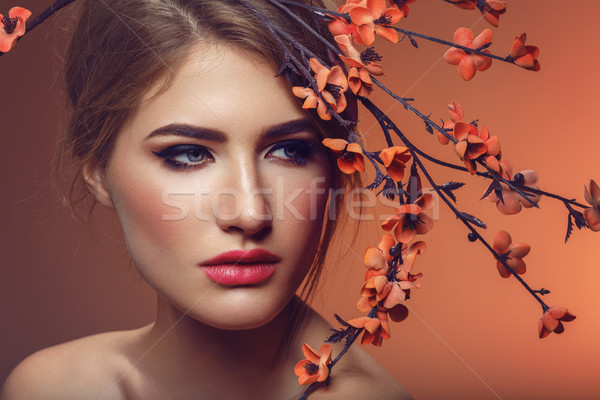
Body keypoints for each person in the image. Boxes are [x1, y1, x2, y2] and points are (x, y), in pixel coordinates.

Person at [1, 0, 411, 399]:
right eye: (189, 155)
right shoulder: (51, 389)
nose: (251, 214)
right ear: (97, 170)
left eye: (290, 151)